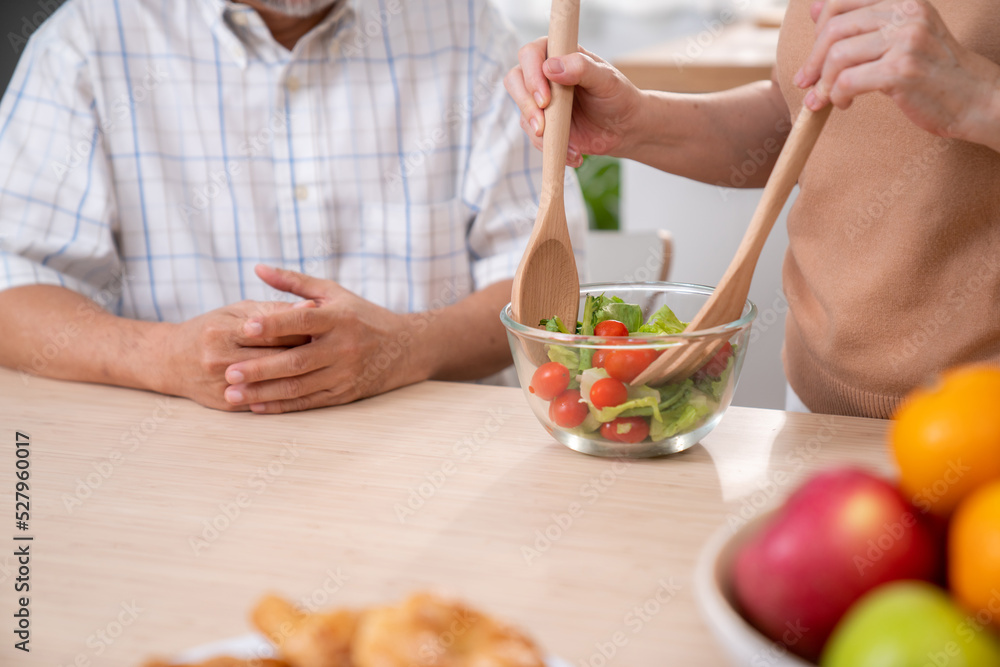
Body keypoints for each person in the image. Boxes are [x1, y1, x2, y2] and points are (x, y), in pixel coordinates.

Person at [0, 0, 587, 413]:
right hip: (172, 470)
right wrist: (160, 357)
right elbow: (13, 292)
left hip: (437, 466)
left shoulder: (466, 26)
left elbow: (547, 296)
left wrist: (407, 347)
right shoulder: (86, 41)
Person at [505, 0, 1000, 418]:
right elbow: (803, 115)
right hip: (815, 403)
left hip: (978, 418)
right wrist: (637, 123)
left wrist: (981, 97)